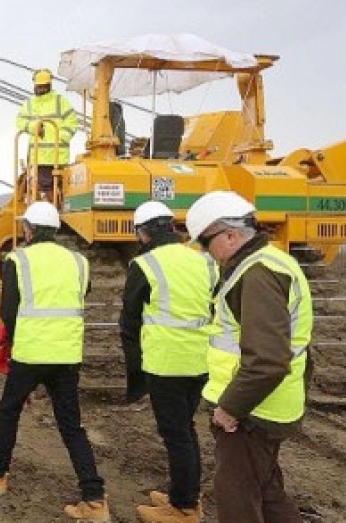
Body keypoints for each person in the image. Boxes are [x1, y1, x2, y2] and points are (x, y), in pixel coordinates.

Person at [0, 201, 109, 521]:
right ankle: (94, 499)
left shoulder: (18, 259)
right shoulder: (78, 261)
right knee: (71, 425)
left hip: (31, 353)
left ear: (29, 229)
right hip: (66, 355)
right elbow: (81, 293)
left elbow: (8, 312)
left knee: (9, 412)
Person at [186, 191, 313, 523]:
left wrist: (230, 407)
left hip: (252, 413)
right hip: (270, 404)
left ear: (230, 234)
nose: (205, 251)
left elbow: (268, 359)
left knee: (238, 498)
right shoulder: (273, 262)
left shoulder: (257, 274)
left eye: (205, 242)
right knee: (267, 492)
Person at [120, 201, 215, 523]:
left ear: (142, 233)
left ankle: (185, 508)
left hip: (167, 363)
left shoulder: (145, 264)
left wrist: (134, 375)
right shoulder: (205, 260)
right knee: (185, 429)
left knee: (177, 435)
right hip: (202, 360)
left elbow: (129, 324)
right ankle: (184, 493)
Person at [15, 69, 79, 195]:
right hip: (39, 158)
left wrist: (61, 137)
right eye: (39, 87)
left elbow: (72, 122)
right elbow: (20, 121)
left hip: (58, 156)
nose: (41, 89)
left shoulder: (61, 102)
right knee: (44, 191)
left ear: (49, 85)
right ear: (35, 86)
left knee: (60, 190)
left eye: (44, 86)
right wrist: (34, 127)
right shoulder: (29, 104)